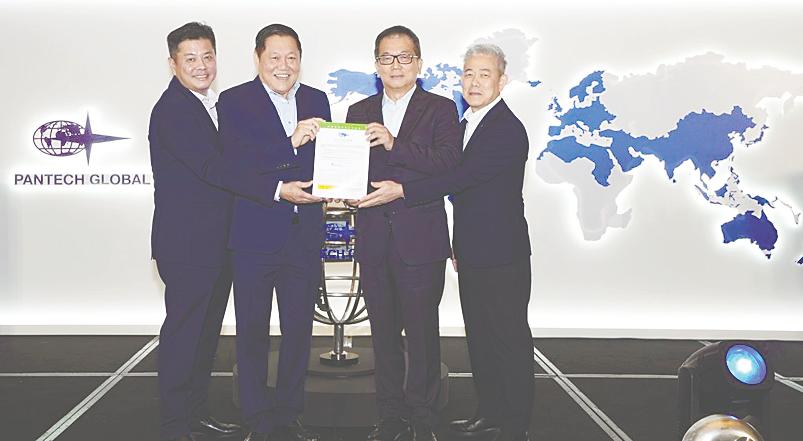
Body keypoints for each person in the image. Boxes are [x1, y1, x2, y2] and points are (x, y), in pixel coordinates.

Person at [358, 44, 534, 441]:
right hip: (471, 249)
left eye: (484, 74)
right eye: (469, 73)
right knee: (481, 338)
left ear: (502, 81)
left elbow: (458, 177)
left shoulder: (505, 128)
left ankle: (515, 425)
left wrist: (402, 189)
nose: (474, 82)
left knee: (508, 338)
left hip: (502, 252)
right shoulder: (469, 121)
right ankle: (490, 413)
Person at [149, 21, 277, 441]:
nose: (201, 66)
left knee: (205, 337)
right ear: (173, 64)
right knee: (184, 335)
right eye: (190, 58)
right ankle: (173, 424)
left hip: (218, 244)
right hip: (188, 247)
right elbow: (214, 168)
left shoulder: (213, 105)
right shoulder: (172, 110)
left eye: (207, 56)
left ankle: (195, 412)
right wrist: (275, 185)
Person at [346, 25, 461, 441]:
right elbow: (352, 172)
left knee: (423, 333)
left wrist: (395, 144)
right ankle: (390, 414)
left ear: (419, 62)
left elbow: (449, 164)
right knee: (383, 334)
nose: (395, 65)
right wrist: (340, 189)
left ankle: (424, 416)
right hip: (374, 237)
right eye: (387, 58)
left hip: (421, 240)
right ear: (376, 64)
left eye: (404, 57)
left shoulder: (442, 109)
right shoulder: (358, 112)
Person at [216, 23, 330, 441]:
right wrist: (289, 142)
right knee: (252, 333)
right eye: (275, 58)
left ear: (301, 58)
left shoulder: (317, 99)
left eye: (292, 57)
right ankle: (257, 419)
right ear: (258, 58)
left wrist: (340, 185)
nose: (284, 66)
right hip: (254, 236)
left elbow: (326, 163)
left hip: (303, 236)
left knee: (299, 331)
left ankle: (289, 414)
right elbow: (234, 165)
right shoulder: (234, 101)